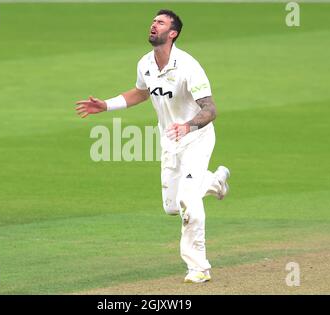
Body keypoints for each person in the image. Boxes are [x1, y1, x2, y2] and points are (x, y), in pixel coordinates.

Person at [75, 9, 230, 283]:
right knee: (173, 206)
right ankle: (215, 181)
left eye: (161, 23)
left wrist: (188, 125)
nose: (153, 25)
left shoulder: (189, 66)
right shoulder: (145, 63)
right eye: (153, 21)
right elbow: (141, 92)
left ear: (173, 33)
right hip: (170, 141)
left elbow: (210, 109)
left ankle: (199, 268)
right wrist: (106, 105)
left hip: (196, 138)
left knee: (189, 203)